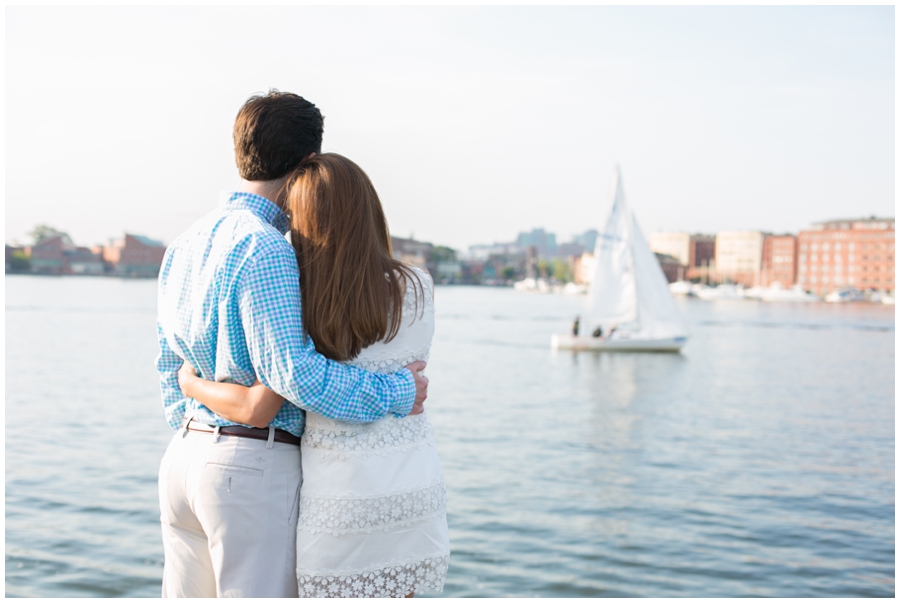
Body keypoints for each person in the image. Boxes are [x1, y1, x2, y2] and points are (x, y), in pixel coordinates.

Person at [155, 91, 429, 598]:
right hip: (247, 469)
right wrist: (396, 392)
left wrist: (196, 423)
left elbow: (169, 365)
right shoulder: (265, 247)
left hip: (181, 459)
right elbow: (294, 375)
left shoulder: (185, 243)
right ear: (308, 163)